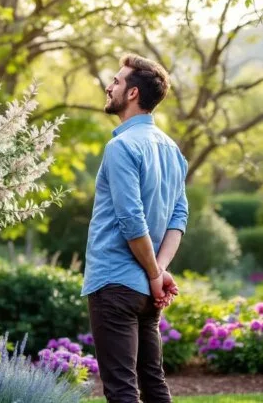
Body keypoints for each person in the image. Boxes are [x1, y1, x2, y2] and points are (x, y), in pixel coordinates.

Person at [82, 53, 189, 403]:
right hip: (146, 289)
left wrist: (154, 272)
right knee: (154, 384)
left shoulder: (121, 146)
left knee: (122, 390)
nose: (108, 86)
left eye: (116, 81)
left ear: (132, 94)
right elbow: (178, 219)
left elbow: (132, 221)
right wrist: (158, 271)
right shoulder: (173, 151)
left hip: (114, 283)